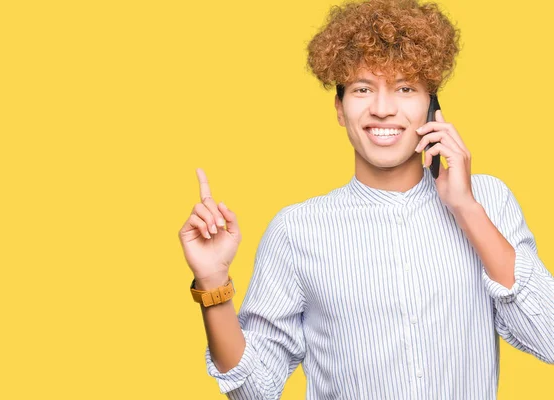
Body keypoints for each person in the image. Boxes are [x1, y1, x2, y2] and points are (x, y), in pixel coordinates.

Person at [177, 0, 554, 398]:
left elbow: (548, 337)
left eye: (405, 88)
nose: (383, 108)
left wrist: (466, 208)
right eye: (362, 89)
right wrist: (213, 284)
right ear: (340, 109)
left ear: (432, 105)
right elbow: (253, 390)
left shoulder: (488, 201)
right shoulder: (296, 231)